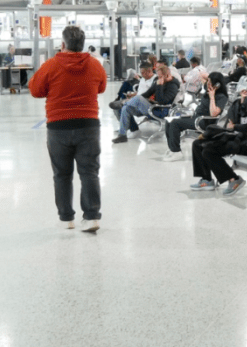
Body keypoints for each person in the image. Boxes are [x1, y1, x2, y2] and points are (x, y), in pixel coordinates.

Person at [29, 26, 107, 232]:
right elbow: (101, 87)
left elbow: (36, 91)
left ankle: (66, 219)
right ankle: (92, 217)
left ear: (62, 44)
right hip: (88, 126)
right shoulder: (95, 65)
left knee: (62, 175)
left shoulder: (51, 65)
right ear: (82, 45)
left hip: (58, 127)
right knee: (89, 173)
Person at [189, 78, 247, 195]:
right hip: (240, 139)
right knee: (197, 144)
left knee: (208, 150)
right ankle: (206, 179)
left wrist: (233, 127)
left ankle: (234, 179)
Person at [161, 72, 229, 162]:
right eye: (208, 81)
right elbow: (203, 77)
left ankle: (176, 151)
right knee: (169, 121)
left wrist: (212, 97)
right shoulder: (209, 87)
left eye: (210, 81)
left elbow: (214, 114)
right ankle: (172, 149)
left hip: (204, 121)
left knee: (175, 123)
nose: (207, 83)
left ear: (217, 84)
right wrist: (203, 74)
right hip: (196, 117)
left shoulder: (221, 97)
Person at [112, 64, 180, 143]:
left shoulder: (173, 86)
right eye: (158, 76)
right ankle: (122, 135)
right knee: (126, 108)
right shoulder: (159, 81)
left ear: (167, 75)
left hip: (162, 110)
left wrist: (159, 86)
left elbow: (162, 101)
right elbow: (147, 94)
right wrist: (137, 99)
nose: (158, 78)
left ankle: (123, 103)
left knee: (136, 99)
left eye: (160, 76)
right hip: (153, 106)